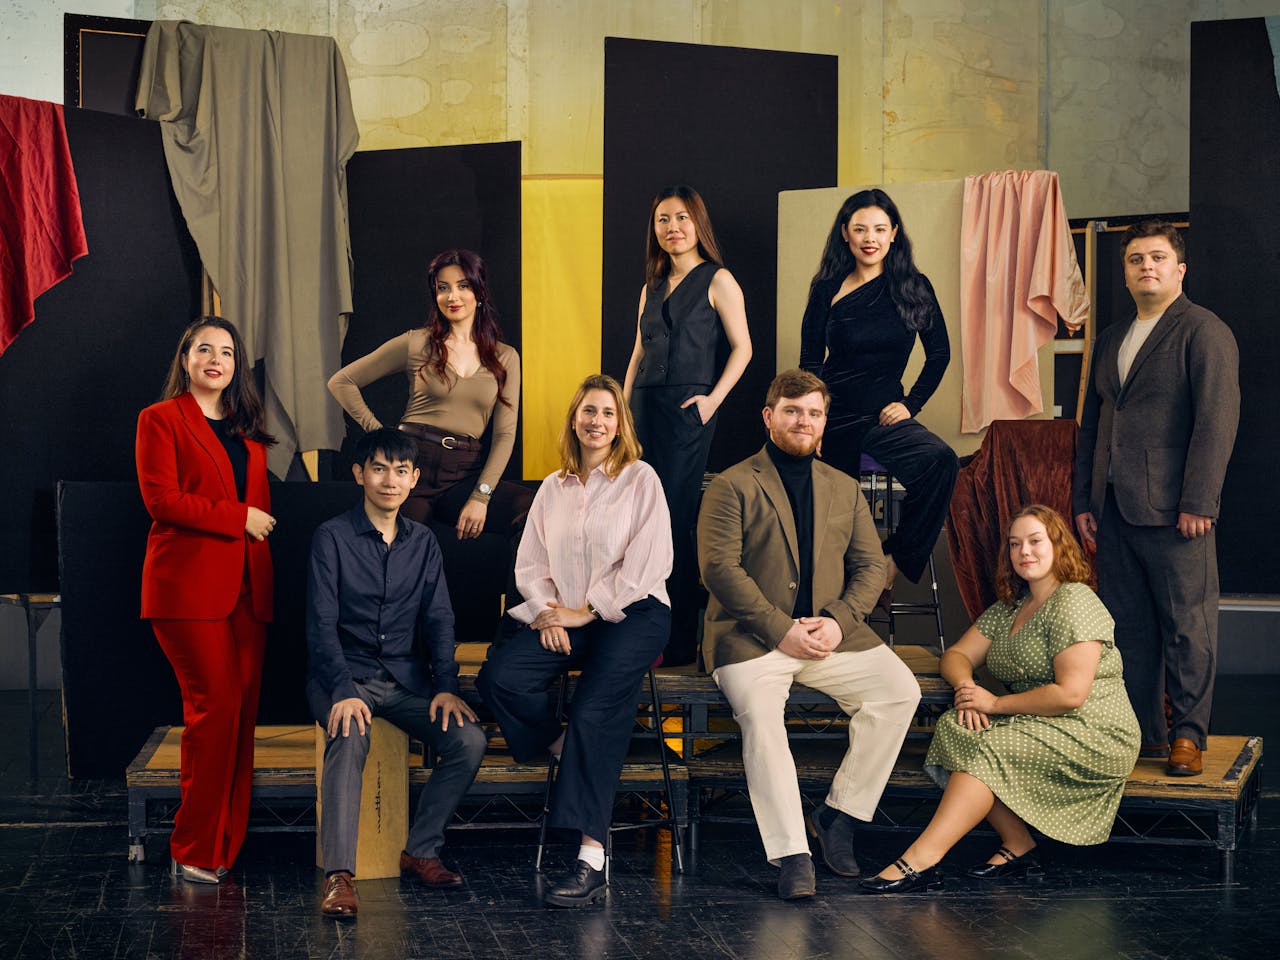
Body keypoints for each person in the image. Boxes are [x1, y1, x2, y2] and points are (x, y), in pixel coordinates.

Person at [697, 369, 921, 900]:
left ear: (824, 422)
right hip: (751, 637)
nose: (804, 421)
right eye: (793, 410)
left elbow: (870, 569)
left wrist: (839, 620)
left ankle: (839, 815)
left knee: (900, 692)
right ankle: (792, 853)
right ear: (769, 416)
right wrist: (780, 629)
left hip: (831, 634)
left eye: (814, 413)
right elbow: (719, 570)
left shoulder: (843, 488)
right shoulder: (732, 483)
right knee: (762, 718)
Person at [862, 505, 1140, 893]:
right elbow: (956, 656)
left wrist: (992, 704)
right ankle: (1018, 843)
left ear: (1058, 546)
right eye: (1015, 544)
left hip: (1092, 730)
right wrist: (966, 689)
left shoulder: (1075, 600)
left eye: (1035, 541)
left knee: (988, 744)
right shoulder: (1012, 606)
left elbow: (1071, 695)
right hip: (1037, 722)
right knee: (955, 727)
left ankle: (921, 859)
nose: (1024, 551)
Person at [477, 375, 673, 908]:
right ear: (574, 419)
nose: (597, 422)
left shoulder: (640, 479)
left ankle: (591, 858)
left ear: (620, 424)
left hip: (633, 615)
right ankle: (559, 745)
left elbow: (649, 563)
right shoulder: (552, 488)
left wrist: (585, 612)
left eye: (608, 413)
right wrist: (548, 613)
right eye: (588, 411)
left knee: (595, 712)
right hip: (568, 614)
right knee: (500, 677)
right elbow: (531, 565)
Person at [1073, 221, 1239, 777]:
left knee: (1188, 627)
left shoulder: (1203, 331)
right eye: (1136, 259)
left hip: (1177, 512)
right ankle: (1144, 734)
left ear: (1179, 269)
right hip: (1114, 509)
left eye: (1158, 257)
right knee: (1129, 630)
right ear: (1125, 271)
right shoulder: (1112, 337)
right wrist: (1084, 502)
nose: (1147, 266)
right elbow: (1092, 428)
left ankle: (1189, 737)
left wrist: (1201, 501)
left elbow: (1216, 423)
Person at [307, 427, 486, 919]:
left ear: (413, 481)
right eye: (380, 468)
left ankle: (421, 850)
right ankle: (339, 876)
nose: (390, 480)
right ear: (359, 474)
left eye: (401, 471)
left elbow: (439, 619)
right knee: (350, 729)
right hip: (342, 676)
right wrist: (343, 691)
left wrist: (447, 687)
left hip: (406, 680)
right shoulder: (333, 537)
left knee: (468, 740)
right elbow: (320, 626)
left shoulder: (424, 542)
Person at [136, 316, 276, 883]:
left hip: (247, 592)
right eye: (204, 349)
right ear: (186, 358)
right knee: (213, 708)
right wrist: (238, 517)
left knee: (238, 717)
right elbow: (161, 500)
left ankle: (223, 844)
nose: (216, 359)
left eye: (226, 351)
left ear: (236, 365)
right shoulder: (160, 419)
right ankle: (191, 845)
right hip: (187, 590)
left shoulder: (249, 434)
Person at [799, 188, 957, 603]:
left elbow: (940, 354)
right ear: (846, 235)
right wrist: (812, 426)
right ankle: (837, 603)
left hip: (883, 417)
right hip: (832, 417)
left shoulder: (913, 287)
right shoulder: (826, 287)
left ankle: (893, 561)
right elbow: (809, 362)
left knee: (941, 462)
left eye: (879, 229)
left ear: (893, 234)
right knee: (832, 521)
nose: (870, 237)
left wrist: (910, 405)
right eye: (860, 229)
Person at [622, 185, 752, 665]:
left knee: (672, 520)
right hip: (641, 408)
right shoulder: (650, 287)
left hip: (686, 410)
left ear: (697, 224)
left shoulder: (718, 279)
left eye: (680, 218)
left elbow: (744, 348)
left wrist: (712, 401)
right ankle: (640, 631)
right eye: (662, 220)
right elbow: (638, 352)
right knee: (636, 517)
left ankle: (678, 643)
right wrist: (621, 407)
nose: (672, 228)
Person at [328, 249, 532, 543]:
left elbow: (504, 434)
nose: (453, 297)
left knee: (531, 510)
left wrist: (481, 495)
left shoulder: (505, 357)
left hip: (463, 473)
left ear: (479, 291)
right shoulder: (417, 343)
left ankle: (519, 592)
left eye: (463, 286)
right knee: (402, 545)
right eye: (443, 288)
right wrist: (382, 436)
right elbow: (342, 381)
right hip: (412, 466)